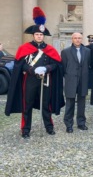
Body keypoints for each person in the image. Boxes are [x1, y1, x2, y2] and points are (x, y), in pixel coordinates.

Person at [5, 7, 64, 138]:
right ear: (33, 35)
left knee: (46, 105)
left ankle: (49, 127)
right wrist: (31, 70)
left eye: (41, 35)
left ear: (44, 36)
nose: (39, 36)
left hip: (46, 80)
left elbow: (56, 64)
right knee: (27, 105)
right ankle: (25, 129)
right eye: (37, 34)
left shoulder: (49, 49)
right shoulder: (24, 48)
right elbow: (20, 65)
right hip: (30, 80)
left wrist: (47, 69)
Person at [61, 32, 90, 133]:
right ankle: (69, 124)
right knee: (70, 103)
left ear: (82, 39)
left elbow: (88, 65)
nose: (77, 40)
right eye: (75, 38)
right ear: (72, 39)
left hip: (83, 79)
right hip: (71, 80)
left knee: (82, 103)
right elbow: (63, 67)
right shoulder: (66, 52)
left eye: (79, 38)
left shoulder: (87, 51)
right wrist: (69, 76)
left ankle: (81, 123)